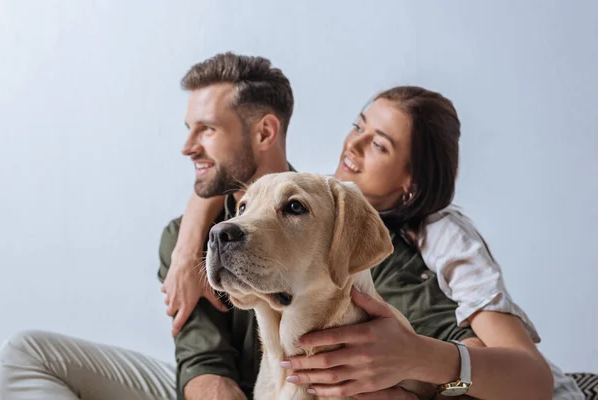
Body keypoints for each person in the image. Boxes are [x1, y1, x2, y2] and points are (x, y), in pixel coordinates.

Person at [162, 76, 582, 398]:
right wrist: (187, 250)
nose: (353, 145)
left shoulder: (442, 239)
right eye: (357, 126)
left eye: (379, 145)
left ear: (411, 180)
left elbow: (525, 377)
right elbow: (247, 186)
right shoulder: (325, 203)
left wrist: (421, 360)